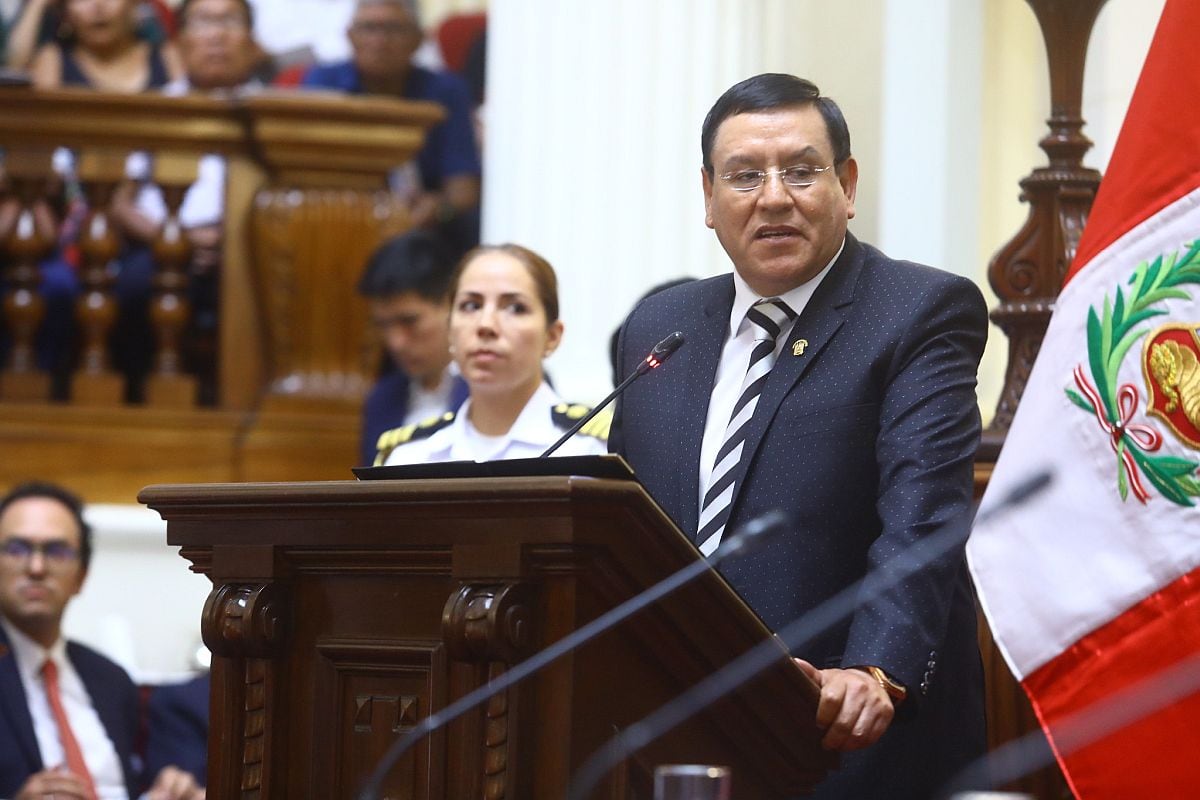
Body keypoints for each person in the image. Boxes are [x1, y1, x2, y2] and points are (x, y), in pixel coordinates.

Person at [608, 73, 988, 799]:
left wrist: (875, 670)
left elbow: (924, 516)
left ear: (846, 185)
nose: (774, 196)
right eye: (745, 175)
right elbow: (633, 528)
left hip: (840, 733)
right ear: (709, 198)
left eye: (801, 171)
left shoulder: (918, 311)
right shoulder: (661, 327)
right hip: (670, 726)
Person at [0, 481, 204, 800]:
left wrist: (167, 789)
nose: (36, 567)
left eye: (56, 551)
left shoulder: (110, 680)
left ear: (81, 576)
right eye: (17, 549)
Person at [377, 244, 608, 465]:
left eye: (515, 308)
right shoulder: (409, 455)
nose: (486, 324)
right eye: (471, 306)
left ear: (552, 337)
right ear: (449, 329)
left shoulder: (594, 449)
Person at [300, 0, 482, 248]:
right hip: (341, 212)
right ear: (350, 36)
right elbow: (305, 172)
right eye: (369, 28)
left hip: (423, 229)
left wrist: (439, 209)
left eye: (393, 29)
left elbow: (464, 191)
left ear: (418, 40)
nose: (379, 41)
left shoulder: (446, 91)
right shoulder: (323, 82)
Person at [357, 228, 469, 466]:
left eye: (409, 321)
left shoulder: (500, 387)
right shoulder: (381, 399)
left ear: (451, 305)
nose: (395, 342)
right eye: (383, 325)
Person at [28, 0, 182, 92]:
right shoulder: (52, 59)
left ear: (134, 4)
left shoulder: (167, 55)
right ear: (66, 13)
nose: (98, 6)